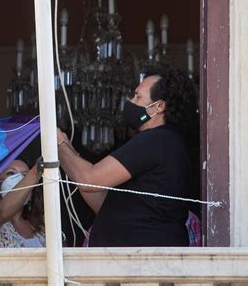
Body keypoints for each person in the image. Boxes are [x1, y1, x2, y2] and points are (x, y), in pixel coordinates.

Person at [57, 66, 197, 247]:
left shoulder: (156, 139)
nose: (130, 102)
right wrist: (69, 152)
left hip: (141, 264)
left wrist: (59, 144)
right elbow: (102, 200)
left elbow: (88, 180)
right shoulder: (168, 142)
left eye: (138, 97)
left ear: (159, 106)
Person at [0, 159, 45, 248]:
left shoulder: (41, 227)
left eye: (25, 175)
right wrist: (36, 171)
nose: (20, 179)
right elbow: (3, 212)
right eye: (11, 173)